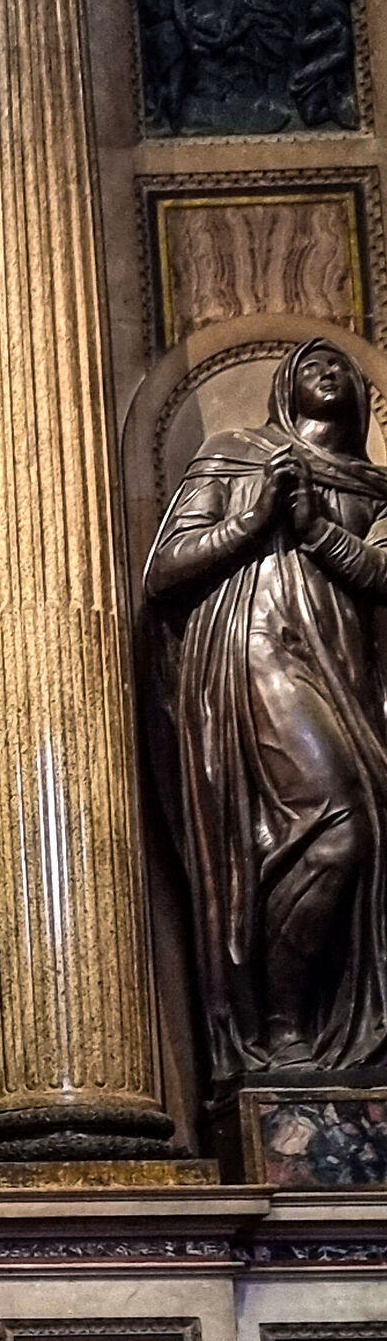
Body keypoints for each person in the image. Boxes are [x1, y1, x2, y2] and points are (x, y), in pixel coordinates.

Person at [145, 337, 387, 1078]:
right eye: (310, 364)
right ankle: (281, 1026)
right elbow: (165, 570)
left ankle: (310, 1027)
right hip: (250, 654)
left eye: (340, 364)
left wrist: (312, 524)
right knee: (339, 823)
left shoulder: (378, 490)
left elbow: (381, 573)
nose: (326, 370)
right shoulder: (235, 452)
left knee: (365, 831)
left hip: (343, 670)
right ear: (283, 385)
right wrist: (251, 521)